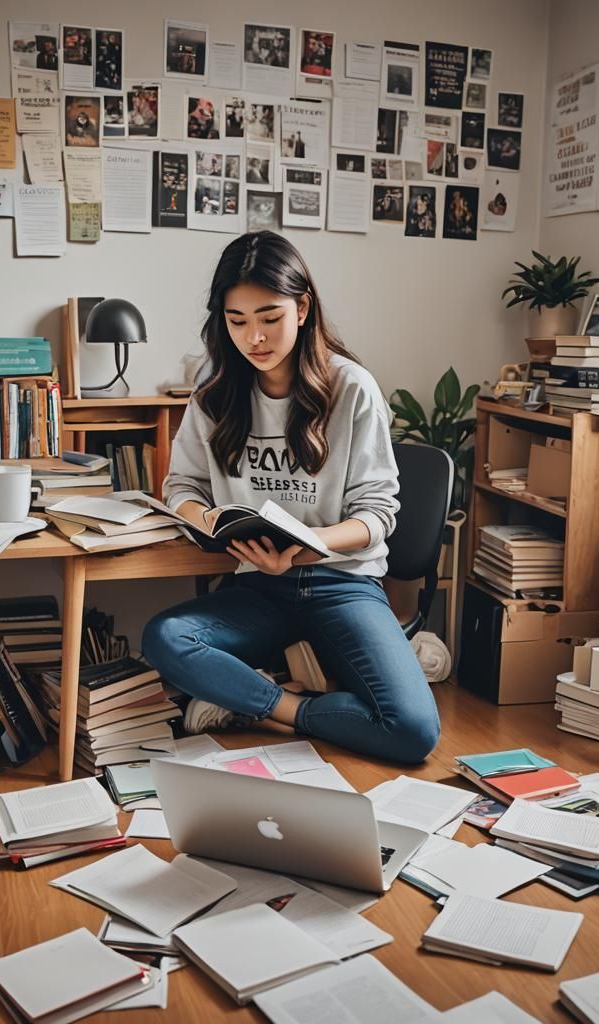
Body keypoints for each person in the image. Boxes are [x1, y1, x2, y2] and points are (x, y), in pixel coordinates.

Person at [142, 232, 440, 764]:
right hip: (259, 585)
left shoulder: (352, 388)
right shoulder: (214, 394)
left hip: (342, 582)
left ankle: (274, 705)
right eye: (237, 321)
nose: (254, 337)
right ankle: (288, 702)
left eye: (269, 317)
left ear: (302, 308)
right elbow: (180, 488)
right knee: (164, 636)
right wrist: (207, 519)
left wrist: (310, 545)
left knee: (414, 732)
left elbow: (379, 513)